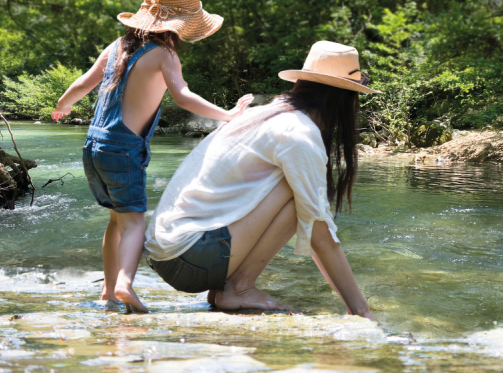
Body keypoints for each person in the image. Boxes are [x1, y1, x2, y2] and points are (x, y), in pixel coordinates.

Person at [51, 0, 249, 313]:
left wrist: (63, 105)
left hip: (94, 146)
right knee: (134, 223)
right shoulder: (164, 54)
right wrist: (229, 115)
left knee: (116, 220)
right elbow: (184, 97)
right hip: (124, 150)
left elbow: (83, 83)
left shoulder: (117, 47)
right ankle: (126, 284)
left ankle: (108, 291)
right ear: (180, 24)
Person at [145, 41, 379, 320]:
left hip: (167, 251)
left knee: (303, 194)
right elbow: (319, 232)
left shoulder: (264, 114)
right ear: (343, 98)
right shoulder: (298, 133)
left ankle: (231, 287)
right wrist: (361, 313)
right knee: (301, 197)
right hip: (188, 260)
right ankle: (239, 288)